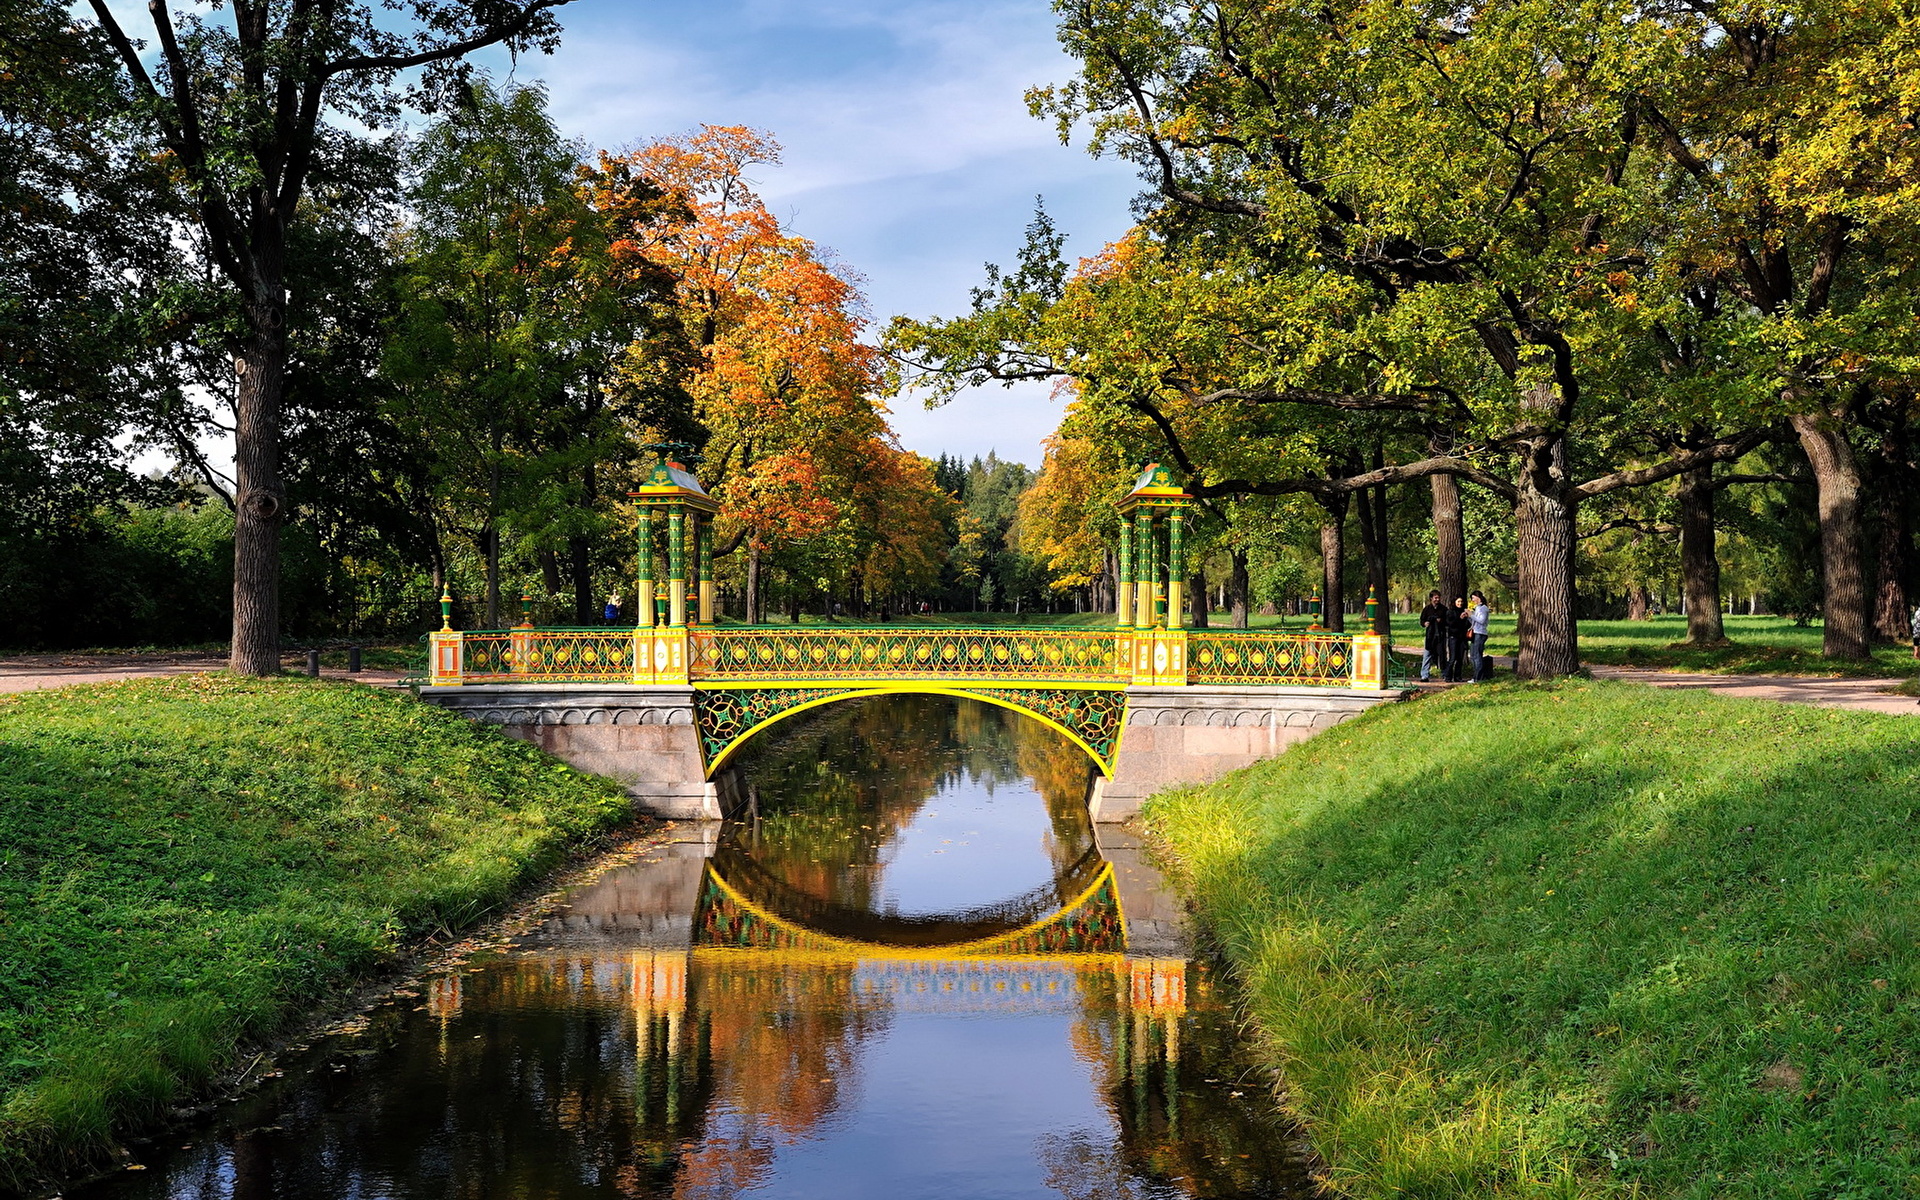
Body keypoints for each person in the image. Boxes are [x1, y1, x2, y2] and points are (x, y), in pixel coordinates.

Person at [1418, 590, 1448, 681]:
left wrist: (1441, 621)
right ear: (1431, 598)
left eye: (1438, 598)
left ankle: (1445, 674)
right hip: (1430, 635)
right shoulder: (1427, 609)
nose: (1437, 600)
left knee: (1442, 655)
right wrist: (1425, 623)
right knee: (1427, 655)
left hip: (1440, 635)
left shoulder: (1444, 609)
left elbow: (1447, 621)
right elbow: (1422, 621)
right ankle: (1424, 675)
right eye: (1435, 598)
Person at [1468, 591, 1492, 680]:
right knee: (1473, 655)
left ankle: (1478, 677)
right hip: (1475, 632)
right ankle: (1475, 675)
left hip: (1480, 633)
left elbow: (1481, 621)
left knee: (1477, 656)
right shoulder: (1477, 608)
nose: (1472, 600)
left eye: (1473, 598)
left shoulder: (1484, 608)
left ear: (1478, 597)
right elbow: (1475, 621)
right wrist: (1468, 616)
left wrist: (1471, 615)